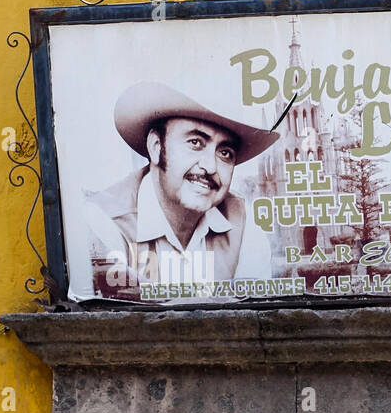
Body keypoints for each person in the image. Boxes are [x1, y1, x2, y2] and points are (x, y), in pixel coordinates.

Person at [84, 81, 280, 300]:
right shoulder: (104, 220)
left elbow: (252, 319)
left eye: (225, 153)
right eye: (195, 143)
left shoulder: (242, 221)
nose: (211, 167)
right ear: (156, 147)